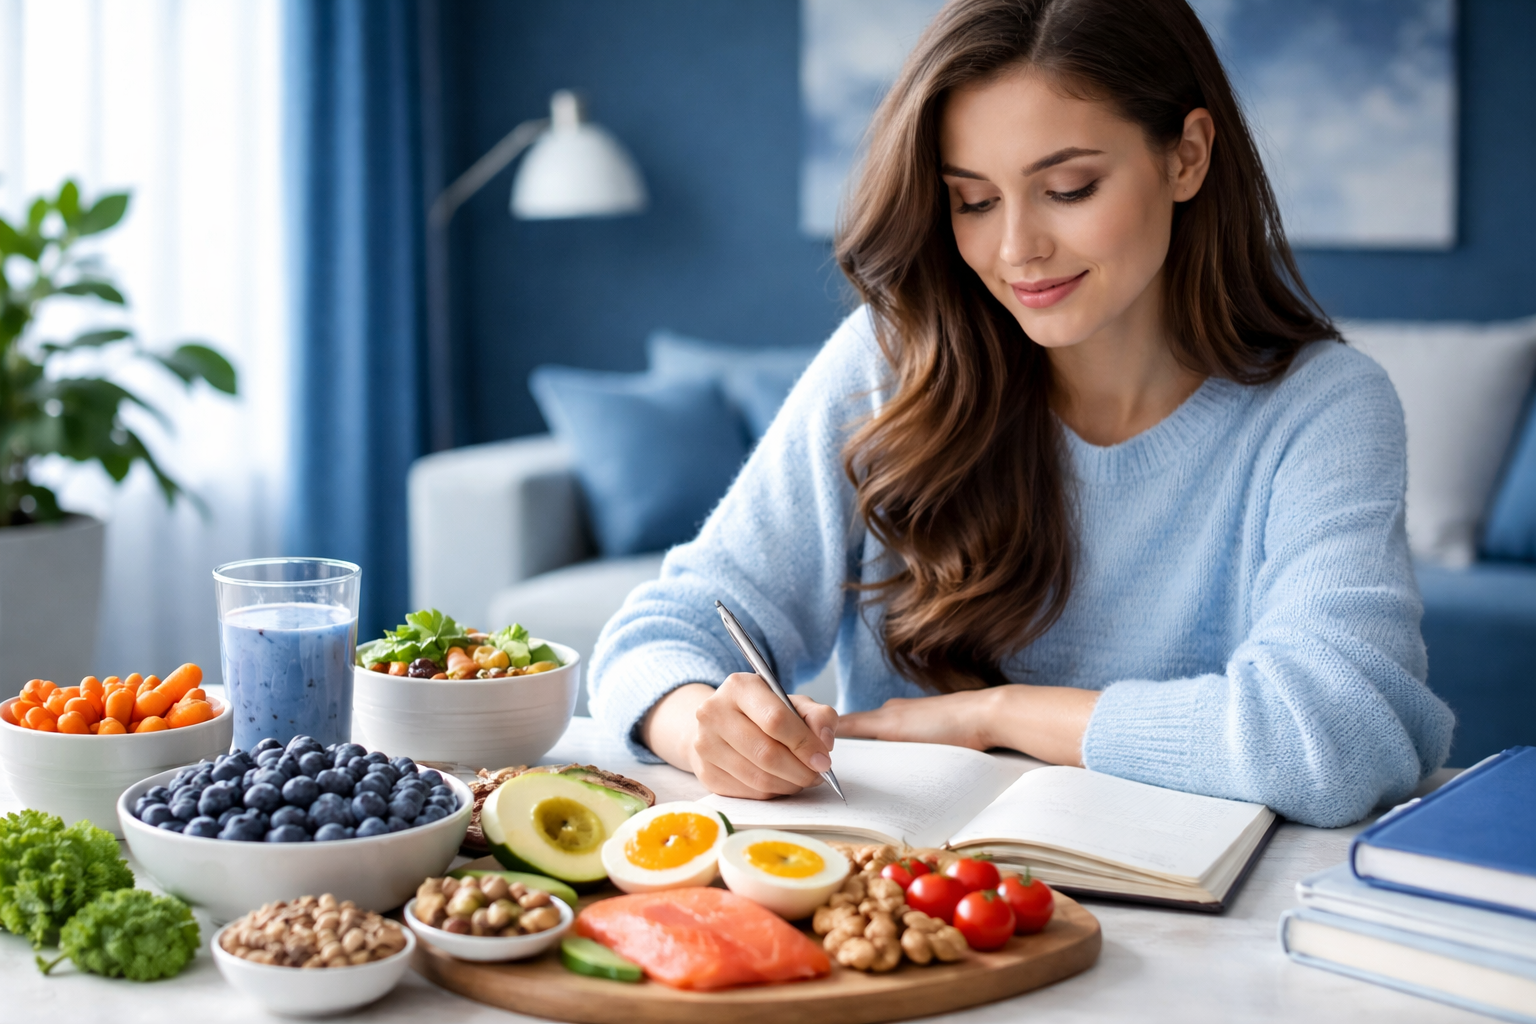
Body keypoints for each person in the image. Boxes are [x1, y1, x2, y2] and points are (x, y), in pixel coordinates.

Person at [588, 0, 1453, 828]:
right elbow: (661, 636)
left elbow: (1339, 734)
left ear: (1187, 156)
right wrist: (698, 722)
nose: (1015, 250)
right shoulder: (893, 360)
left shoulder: (1323, 408)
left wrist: (993, 718)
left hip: (1194, 925)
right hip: (911, 916)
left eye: (1069, 188)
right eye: (973, 199)